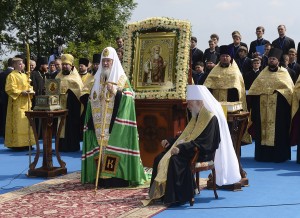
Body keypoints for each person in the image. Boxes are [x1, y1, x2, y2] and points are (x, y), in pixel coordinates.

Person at [145, 85, 241, 206]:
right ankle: (161, 194)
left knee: (175, 160)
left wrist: (181, 148)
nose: (188, 106)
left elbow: (206, 143)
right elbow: (187, 136)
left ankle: (177, 197)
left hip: (201, 152)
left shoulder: (211, 119)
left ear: (199, 102)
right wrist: (171, 141)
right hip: (189, 149)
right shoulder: (196, 116)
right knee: (159, 158)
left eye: (190, 103)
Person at [81, 47, 147, 187]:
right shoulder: (97, 79)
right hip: (100, 123)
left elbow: (130, 97)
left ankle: (116, 178)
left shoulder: (121, 79)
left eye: (108, 61)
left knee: (113, 148)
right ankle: (101, 177)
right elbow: (90, 100)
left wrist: (117, 92)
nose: (105, 64)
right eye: (103, 61)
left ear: (114, 62)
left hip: (115, 123)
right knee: (101, 148)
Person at [248, 48, 294, 162]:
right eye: (270, 59)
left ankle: (279, 156)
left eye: (274, 59)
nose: (271, 61)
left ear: (278, 61)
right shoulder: (262, 73)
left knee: (279, 131)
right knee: (262, 130)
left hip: (279, 109)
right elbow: (255, 90)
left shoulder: (284, 73)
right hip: (263, 107)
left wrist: (277, 92)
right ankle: (263, 156)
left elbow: (289, 91)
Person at [4, 57, 35, 150]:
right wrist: (21, 92)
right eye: (19, 64)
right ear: (14, 65)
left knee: (27, 122)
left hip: (26, 102)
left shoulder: (25, 75)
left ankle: (28, 143)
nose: (22, 65)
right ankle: (18, 144)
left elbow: (29, 86)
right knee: (19, 122)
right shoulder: (11, 76)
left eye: (22, 63)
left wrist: (31, 91)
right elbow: (9, 89)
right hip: (17, 102)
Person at [56, 54, 84, 152]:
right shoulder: (58, 76)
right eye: (63, 64)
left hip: (72, 107)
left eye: (66, 64)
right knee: (60, 125)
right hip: (59, 106)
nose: (64, 66)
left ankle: (72, 146)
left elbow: (80, 92)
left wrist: (69, 92)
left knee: (71, 126)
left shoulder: (76, 78)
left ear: (71, 66)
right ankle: (61, 146)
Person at [78, 57, 94, 140]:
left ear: (87, 67)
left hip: (85, 101)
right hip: (76, 101)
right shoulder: (75, 75)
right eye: (79, 66)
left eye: (82, 66)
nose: (80, 67)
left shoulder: (90, 77)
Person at [0, 58, 14, 137]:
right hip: (10, 97)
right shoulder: (13, 74)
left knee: (3, 115)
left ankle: (3, 132)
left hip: (2, 97)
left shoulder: (2, 73)